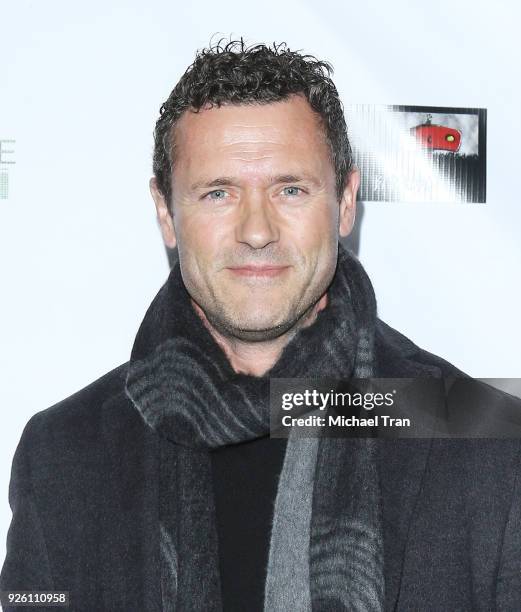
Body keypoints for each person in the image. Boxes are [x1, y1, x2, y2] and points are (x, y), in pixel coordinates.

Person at [1, 39, 520, 612]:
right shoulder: (65, 455)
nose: (256, 230)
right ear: (165, 212)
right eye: (218, 192)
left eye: (290, 189)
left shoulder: (487, 440)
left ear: (346, 201)